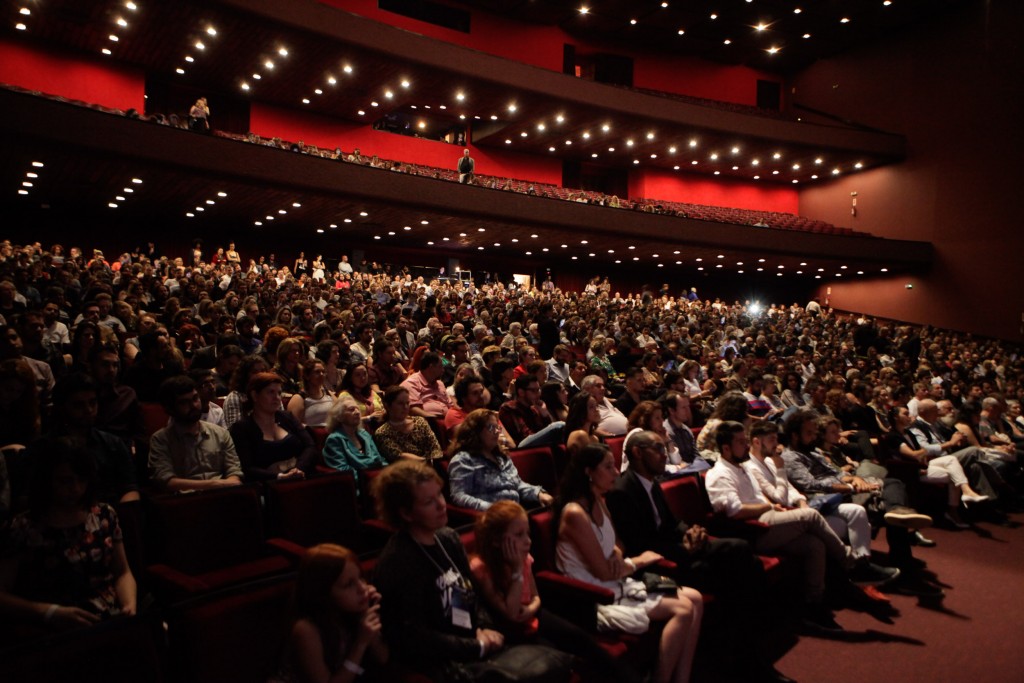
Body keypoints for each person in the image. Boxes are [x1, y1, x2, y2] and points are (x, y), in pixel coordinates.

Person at [606, 430, 794, 683]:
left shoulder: (652, 482)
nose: (666, 455)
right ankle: (749, 651)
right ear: (638, 453)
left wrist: (690, 531)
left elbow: (672, 524)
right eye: (659, 449)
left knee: (741, 561)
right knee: (739, 560)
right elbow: (640, 545)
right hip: (660, 566)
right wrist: (685, 548)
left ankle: (744, 652)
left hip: (678, 551)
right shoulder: (622, 491)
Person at [555, 442, 703, 683]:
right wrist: (639, 561)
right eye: (608, 467)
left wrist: (615, 554)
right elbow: (602, 573)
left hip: (614, 579)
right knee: (683, 609)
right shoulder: (574, 513)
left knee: (695, 598)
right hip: (593, 594)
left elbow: (618, 544)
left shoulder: (600, 500)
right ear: (588, 472)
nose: (616, 473)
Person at [470, 501, 643, 683]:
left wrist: (530, 609)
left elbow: (536, 596)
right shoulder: (482, 569)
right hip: (510, 631)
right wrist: (516, 570)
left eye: (527, 533)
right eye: (519, 535)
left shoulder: (524, 557)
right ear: (497, 540)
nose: (528, 541)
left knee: (581, 639)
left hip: (532, 615)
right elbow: (511, 614)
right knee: (561, 658)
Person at [705, 421, 851, 631]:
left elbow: (762, 499)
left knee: (814, 544)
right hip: (753, 531)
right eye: (740, 442)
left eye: (745, 440)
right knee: (811, 516)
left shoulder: (742, 467)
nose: (746, 446)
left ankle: (813, 605)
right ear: (726, 448)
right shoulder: (719, 474)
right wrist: (768, 506)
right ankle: (848, 560)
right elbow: (734, 511)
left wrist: (772, 505)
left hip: (768, 517)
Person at [372, 461, 505, 679]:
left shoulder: (448, 538)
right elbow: (414, 637)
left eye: (440, 495)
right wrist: (475, 645)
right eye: (428, 502)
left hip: (472, 643)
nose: (442, 505)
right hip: (438, 664)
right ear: (406, 513)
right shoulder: (397, 562)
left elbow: (471, 591)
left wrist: (483, 626)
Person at [0, 439, 137, 630]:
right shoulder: (25, 526)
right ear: (47, 481)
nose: (76, 489)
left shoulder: (104, 515)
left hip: (107, 618)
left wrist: (129, 604)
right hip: (52, 625)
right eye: (66, 481)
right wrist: (48, 612)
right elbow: (3, 593)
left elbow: (122, 572)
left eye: (82, 480)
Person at [745, 421, 899, 587]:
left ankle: (863, 565)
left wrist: (801, 501)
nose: (776, 444)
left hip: (802, 507)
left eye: (776, 439)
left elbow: (791, 489)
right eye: (772, 439)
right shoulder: (752, 467)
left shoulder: (769, 461)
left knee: (857, 511)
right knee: (838, 525)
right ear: (756, 442)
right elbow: (779, 497)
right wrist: (781, 471)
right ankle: (854, 566)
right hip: (786, 514)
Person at [277, 543, 389, 682]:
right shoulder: (306, 630)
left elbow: (383, 658)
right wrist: (360, 644)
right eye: (348, 584)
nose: (362, 588)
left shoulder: (352, 609)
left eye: (360, 578)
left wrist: (368, 614)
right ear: (324, 594)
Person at [886, 405, 988, 528]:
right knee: (953, 475)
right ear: (896, 417)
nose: (910, 416)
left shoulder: (908, 432)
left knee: (951, 459)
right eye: (905, 414)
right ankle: (953, 511)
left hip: (923, 464)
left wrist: (924, 453)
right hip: (911, 469)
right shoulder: (892, 436)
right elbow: (913, 454)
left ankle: (966, 491)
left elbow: (922, 452)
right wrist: (924, 453)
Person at [149, 376, 243, 491]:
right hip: (185, 501)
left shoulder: (220, 434)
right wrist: (216, 485)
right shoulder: (161, 440)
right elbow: (166, 481)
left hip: (222, 496)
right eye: (184, 402)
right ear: (170, 409)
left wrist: (228, 483)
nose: (194, 405)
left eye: (195, 398)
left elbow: (234, 473)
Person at [448, 409, 553, 511]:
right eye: (490, 427)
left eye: (497, 427)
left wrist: (538, 494)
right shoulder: (463, 460)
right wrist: (493, 509)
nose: (496, 432)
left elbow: (518, 485)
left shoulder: (501, 456)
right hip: (491, 518)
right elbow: (459, 496)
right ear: (475, 431)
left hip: (516, 512)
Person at [229, 372, 317, 481]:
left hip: (301, 477)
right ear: (255, 395)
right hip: (267, 486)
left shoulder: (287, 417)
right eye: (271, 392)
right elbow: (247, 468)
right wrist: (279, 477)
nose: (277, 398)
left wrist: (298, 469)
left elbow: (310, 446)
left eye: (279, 393)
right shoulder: (242, 428)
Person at [322, 396, 386, 483]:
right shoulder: (334, 440)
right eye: (351, 409)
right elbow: (344, 471)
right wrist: (370, 478)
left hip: (378, 479)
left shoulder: (364, 434)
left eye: (357, 409)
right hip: (359, 485)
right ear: (339, 416)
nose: (357, 412)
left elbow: (379, 459)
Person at [373, 385, 443, 463]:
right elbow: (400, 456)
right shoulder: (382, 433)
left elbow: (435, 448)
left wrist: (433, 460)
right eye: (400, 403)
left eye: (407, 403)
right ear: (387, 405)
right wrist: (427, 461)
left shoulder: (420, 422)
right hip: (406, 471)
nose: (405, 407)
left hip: (432, 466)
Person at [498, 375, 564, 448]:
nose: (538, 394)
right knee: (558, 426)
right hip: (521, 449)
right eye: (534, 390)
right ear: (521, 392)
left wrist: (545, 415)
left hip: (538, 448)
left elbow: (546, 434)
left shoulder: (534, 408)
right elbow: (525, 436)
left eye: (539, 389)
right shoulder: (509, 408)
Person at [400, 351, 452, 419]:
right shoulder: (411, 383)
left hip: (448, 419)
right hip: (429, 421)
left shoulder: (440, 383)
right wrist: (433, 418)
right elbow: (413, 409)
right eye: (440, 367)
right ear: (431, 367)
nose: (443, 370)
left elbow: (450, 404)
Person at [287, 358, 335, 428]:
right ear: (307, 376)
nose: (321, 374)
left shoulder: (329, 394)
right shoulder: (299, 398)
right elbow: (293, 426)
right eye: (317, 372)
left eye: (323, 372)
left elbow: (341, 413)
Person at [563, 390, 600, 456]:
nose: (597, 410)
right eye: (591, 407)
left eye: (596, 406)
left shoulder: (594, 438)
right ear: (581, 411)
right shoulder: (579, 435)